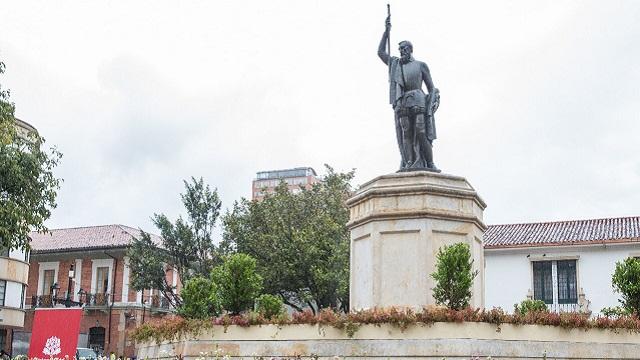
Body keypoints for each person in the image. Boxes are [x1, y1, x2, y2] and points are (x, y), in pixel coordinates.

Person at [378, 14, 440, 172]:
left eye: (404, 49)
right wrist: (386, 32)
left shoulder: (421, 65)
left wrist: (431, 105)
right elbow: (380, 52)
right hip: (403, 101)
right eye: (399, 49)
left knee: (421, 131)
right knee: (406, 132)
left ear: (411, 49)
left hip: (419, 99)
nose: (401, 51)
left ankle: (430, 163)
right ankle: (409, 162)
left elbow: (431, 88)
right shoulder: (395, 64)